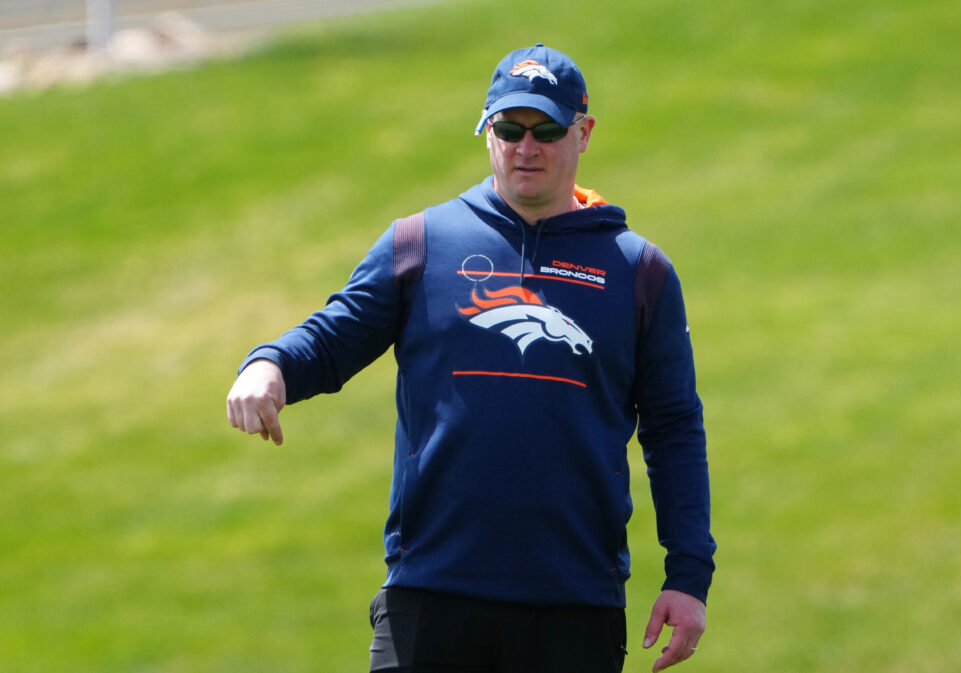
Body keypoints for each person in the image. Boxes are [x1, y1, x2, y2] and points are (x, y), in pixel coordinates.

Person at [227, 44, 715, 673]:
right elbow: (331, 337)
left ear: (583, 134)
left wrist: (688, 574)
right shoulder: (420, 243)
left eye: (547, 130)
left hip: (572, 603)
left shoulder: (637, 270)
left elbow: (674, 430)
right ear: (487, 130)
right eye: (509, 129)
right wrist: (269, 365)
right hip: (430, 592)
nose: (525, 147)